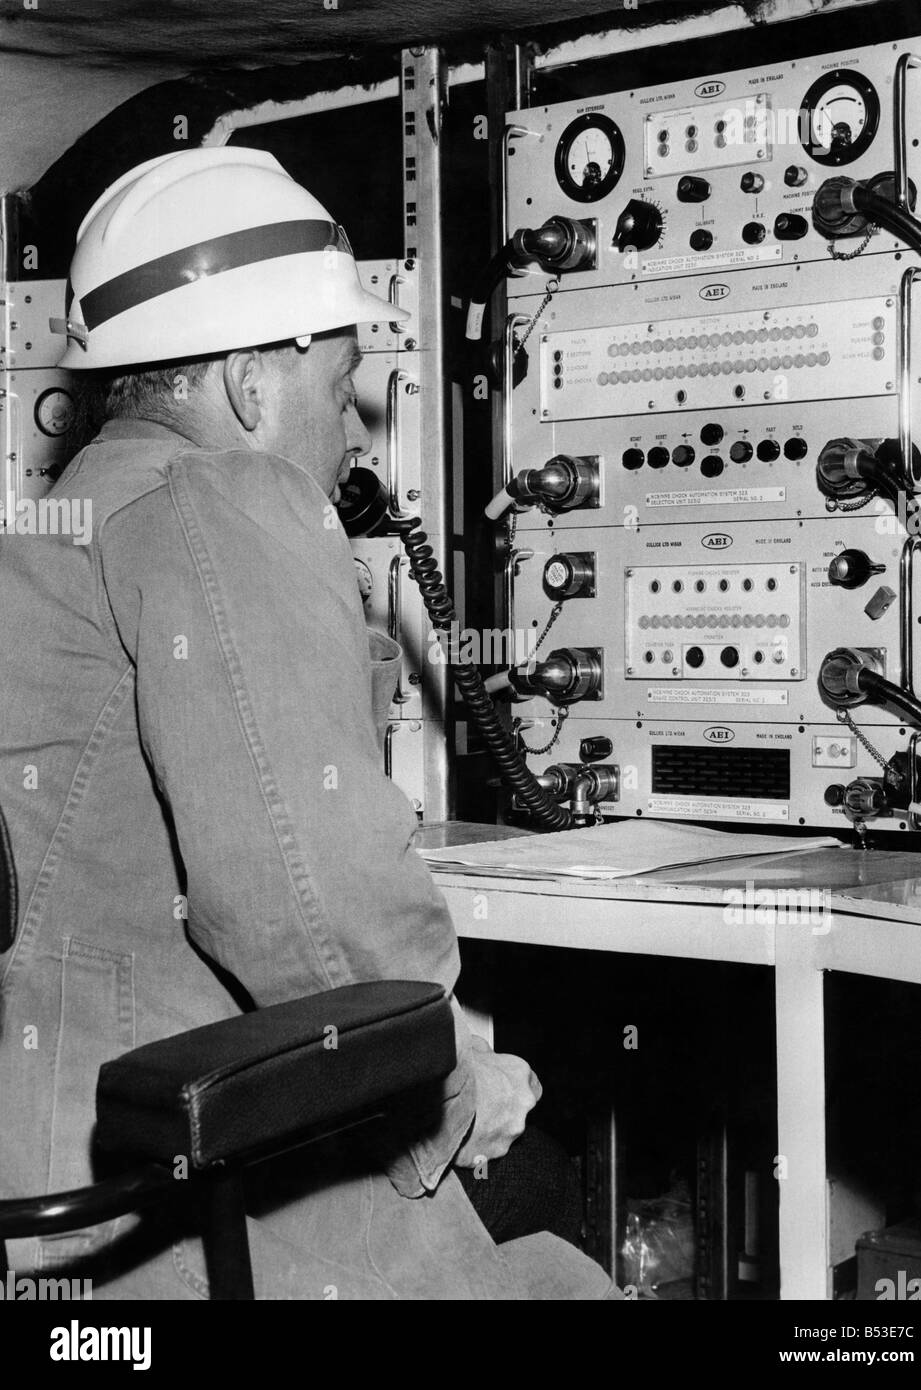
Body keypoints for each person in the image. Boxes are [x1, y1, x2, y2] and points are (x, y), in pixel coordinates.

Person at [0, 147, 612, 1299]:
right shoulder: (220, 497)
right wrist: (458, 1084)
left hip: (48, 1184)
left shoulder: (62, 519)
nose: (355, 439)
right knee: (563, 1264)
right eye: (339, 394)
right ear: (247, 382)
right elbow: (300, 896)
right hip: (175, 1211)